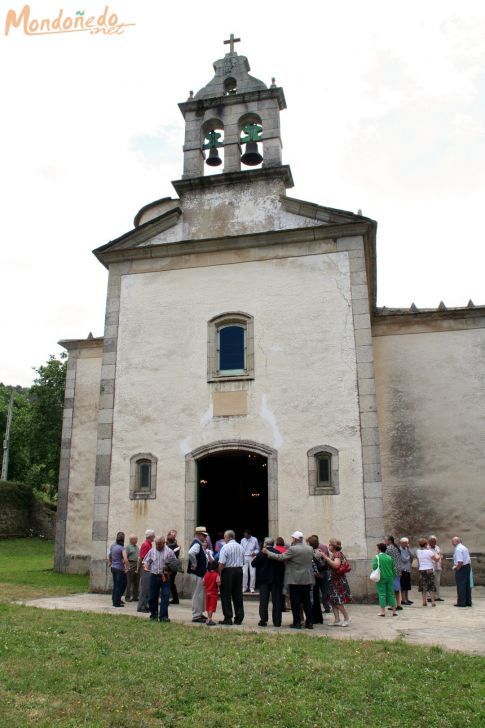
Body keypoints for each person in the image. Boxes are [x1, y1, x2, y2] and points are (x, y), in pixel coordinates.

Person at [264, 530, 314, 629]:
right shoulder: (309, 548)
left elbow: (280, 557)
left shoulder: (293, 549)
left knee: (296, 602)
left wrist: (268, 552)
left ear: (295, 539)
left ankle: (297, 622)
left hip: (295, 580)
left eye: (292, 538)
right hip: (307, 579)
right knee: (307, 602)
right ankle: (310, 622)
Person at [143, 535, 179, 622]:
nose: (158, 546)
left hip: (165, 577)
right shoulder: (152, 551)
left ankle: (163, 616)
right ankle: (153, 615)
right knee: (153, 597)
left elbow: (175, 563)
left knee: (165, 596)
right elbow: (146, 561)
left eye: (159, 544)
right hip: (154, 576)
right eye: (156, 544)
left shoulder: (169, 552)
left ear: (164, 543)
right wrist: (146, 566)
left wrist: (170, 568)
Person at [251, 537, 284, 627]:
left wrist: (255, 558)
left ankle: (263, 620)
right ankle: (277, 622)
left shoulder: (261, 554)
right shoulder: (277, 553)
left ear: (265, 544)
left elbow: (253, 564)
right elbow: (282, 567)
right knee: (276, 601)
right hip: (276, 580)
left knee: (263, 601)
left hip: (263, 581)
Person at [320, 538, 352, 626]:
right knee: (333, 600)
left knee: (337, 601)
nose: (328, 546)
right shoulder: (335, 554)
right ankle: (337, 620)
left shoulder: (337, 554)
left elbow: (336, 565)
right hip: (334, 581)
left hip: (337, 581)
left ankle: (347, 618)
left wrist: (325, 557)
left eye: (330, 544)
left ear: (333, 546)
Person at [218, 530, 245, 625]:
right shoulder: (241, 547)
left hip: (228, 571)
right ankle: (239, 617)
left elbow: (221, 563)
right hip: (239, 570)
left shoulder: (225, 547)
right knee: (238, 594)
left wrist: (219, 574)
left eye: (225, 537)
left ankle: (228, 617)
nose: (224, 539)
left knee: (226, 594)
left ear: (228, 537)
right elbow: (244, 562)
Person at [188, 526, 209, 623]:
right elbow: (191, 553)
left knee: (200, 594)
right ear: (199, 535)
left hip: (199, 573)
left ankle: (199, 613)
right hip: (198, 573)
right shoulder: (196, 543)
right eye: (204, 535)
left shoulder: (197, 543)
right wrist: (195, 564)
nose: (205, 537)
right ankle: (196, 615)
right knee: (197, 594)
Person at [372, 543, 397, 617]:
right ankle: (394, 611)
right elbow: (393, 568)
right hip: (390, 577)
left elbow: (374, 567)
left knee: (382, 594)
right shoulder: (389, 557)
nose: (376, 550)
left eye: (377, 548)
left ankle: (383, 612)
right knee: (391, 594)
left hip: (381, 578)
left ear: (379, 549)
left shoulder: (377, 557)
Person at [416, 537, 440, 607]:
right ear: (426, 544)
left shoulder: (418, 551)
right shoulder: (429, 552)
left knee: (423, 586)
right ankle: (433, 602)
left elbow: (418, 560)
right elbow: (436, 559)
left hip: (422, 569)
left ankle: (424, 601)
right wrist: (439, 556)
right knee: (431, 586)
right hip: (429, 569)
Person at [137, 528, 155, 613]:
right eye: (153, 536)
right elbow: (141, 558)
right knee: (144, 588)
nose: (154, 537)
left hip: (148, 568)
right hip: (145, 568)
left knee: (147, 588)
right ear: (150, 536)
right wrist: (138, 568)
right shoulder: (146, 545)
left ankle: (145, 605)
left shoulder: (149, 544)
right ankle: (141, 606)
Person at [108, 531, 129, 608]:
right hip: (119, 569)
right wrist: (127, 567)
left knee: (116, 585)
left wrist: (110, 562)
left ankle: (115, 599)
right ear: (123, 539)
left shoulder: (113, 546)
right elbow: (126, 559)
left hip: (113, 568)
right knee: (120, 585)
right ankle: (116, 603)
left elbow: (110, 555)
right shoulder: (122, 548)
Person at [452, 536, 472, 607]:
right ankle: (468, 602)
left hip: (462, 568)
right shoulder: (464, 547)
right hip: (467, 567)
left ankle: (461, 603)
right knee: (467, 585)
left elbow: (460, 561)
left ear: (457, 541)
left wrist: (457, 568)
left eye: (453, 541)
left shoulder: (458, 549)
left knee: (461, 585)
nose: (452, 543)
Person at [385, 535, 403, 610]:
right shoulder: (396, 547)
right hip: (398, 569)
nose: (385, 542)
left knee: (392, 588)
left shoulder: (388, 548)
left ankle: (394, 605)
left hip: (392, 570)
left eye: (386, 540)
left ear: (390, 541)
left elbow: (385, 558)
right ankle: (398, 604)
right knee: (397, 588)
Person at [202, 560, 220, 626]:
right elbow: (218, 583)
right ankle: (209, 619)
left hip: (207, 593)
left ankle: (208, 618)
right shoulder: (217, 575)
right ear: (216, 568)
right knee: (211, 607)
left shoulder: (206, 574)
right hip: (213, 594)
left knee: (208, 606)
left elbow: (203, 583)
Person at [166, 529, 181, 605]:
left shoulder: (174, 546)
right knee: (171, 583)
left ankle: (171, 598)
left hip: (172, 566)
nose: (173, 535)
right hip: (170, 566)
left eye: (174, 535)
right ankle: (175, 599)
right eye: (172, 534)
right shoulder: (167, 545)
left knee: (170, 582)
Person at [428, 535, 444, 601]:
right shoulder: (427, 548)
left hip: (438, 567)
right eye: (432, 541)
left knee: (437, 582)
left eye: (435, 541)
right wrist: (438, 557)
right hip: (431, 567)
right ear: (429, 541)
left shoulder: (437, 547)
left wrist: (441, 556)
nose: (434, 542)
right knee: (430, 582)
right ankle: (429, 597)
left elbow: (441, 555)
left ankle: (437, 596)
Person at [125, 533, 140, 602]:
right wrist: (126, 567)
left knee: (136, 582)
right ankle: (127, 597)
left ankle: (135, 596)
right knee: (129, 582)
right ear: (131, 540)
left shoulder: (137, 547)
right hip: (131, 564)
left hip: (137, 565)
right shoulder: (128, 547)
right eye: (135, 539)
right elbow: (125, 558)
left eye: (136, 539)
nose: (136, 540)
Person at [399, 537, 413, 605]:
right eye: (404, 543)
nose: (406, 544)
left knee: (407, 586)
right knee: (403, 586)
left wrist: (409, 549)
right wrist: (408, 557)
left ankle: (407, 599)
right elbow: (404, 559)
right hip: (402, 570)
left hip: (407, 569)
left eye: (407, 543)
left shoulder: (407, 549)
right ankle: (403, 600)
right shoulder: (400, 550)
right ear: (401, 543)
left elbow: (411, 555)